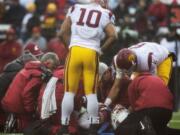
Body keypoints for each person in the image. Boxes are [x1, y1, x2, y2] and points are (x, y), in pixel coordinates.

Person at [58, 0, 117, 134]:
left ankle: (64, 126)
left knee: (69, 92)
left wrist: (70, 47)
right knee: (91, 93)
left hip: (75, 51)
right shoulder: (105, 13)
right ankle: (93, 126)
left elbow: (61, 33)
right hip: (91, 52)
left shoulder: (75, 8)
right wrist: (101, 50)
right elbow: (113, 36)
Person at [104, 42, 174, 107]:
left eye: (127, 69)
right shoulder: (119, 61)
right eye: (123, 69)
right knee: (132, 87)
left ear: (133, 63)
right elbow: (116, 86)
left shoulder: (146, 61)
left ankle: (159, 113)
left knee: (158, 88)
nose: (125, 72)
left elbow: (153, 86)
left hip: (163, 58)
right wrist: (105, 105)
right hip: (143, 59)